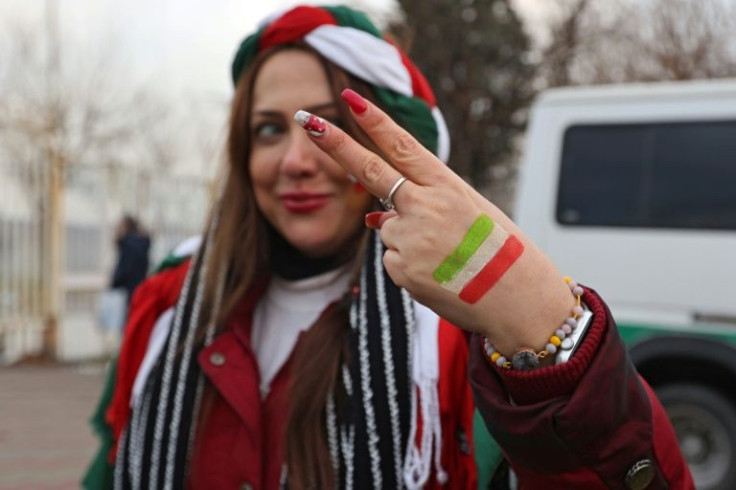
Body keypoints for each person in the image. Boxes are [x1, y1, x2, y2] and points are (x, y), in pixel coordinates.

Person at [85, 5, 693, 490]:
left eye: (326, 126)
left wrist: (549, 339)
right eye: (268, 129)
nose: (296, 160)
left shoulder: (456, 330)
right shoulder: (169, 301)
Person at [110, 215, 151, 307]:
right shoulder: (141, 244)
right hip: (139, 289)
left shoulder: (127, 245)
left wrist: (115, 282)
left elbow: (125, 269)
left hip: (127, 291)